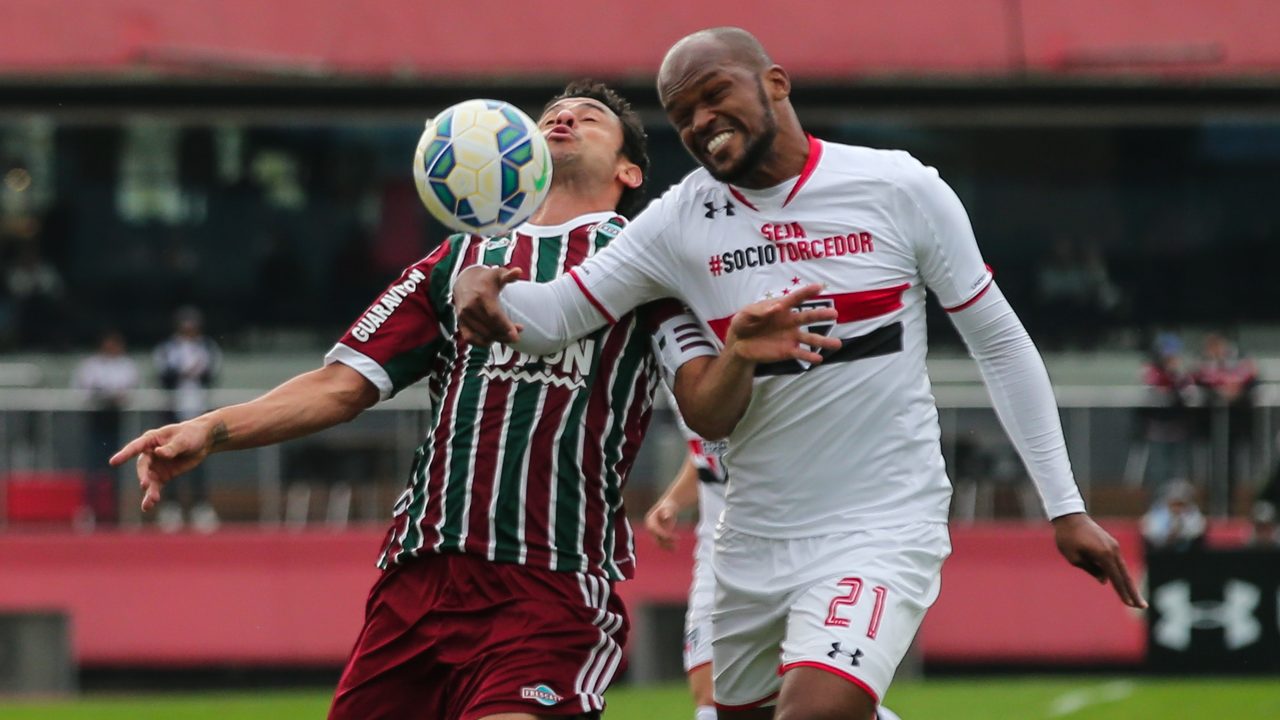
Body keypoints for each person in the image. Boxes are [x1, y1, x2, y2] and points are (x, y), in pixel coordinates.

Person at [453, 27, 1146, 720]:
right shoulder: (677, 222)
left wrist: (1066, 506)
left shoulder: (897, 187)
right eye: (682, 114)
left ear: (775, 84)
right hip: (752, 534)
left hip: (881, 519)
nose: (700, 122)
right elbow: (547, 319)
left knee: (815, 712)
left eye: (715, 94)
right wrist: (474, 280)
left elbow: (998, 341)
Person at [111, 80, 815, 720]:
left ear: (629, 171)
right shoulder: (452, 263)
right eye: (552, 114)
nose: (565, 117)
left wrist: (741, 356)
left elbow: (708, 409)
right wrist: (210, 429)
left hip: (548, 583)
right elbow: (340, 385)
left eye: (591, 117)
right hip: (418, 585)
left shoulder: (648, 264)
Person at [152, 306, 222, 532]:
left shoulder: (208, 347)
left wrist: (193, 372)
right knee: (170, 459)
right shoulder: (167, 348)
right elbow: (163, 375)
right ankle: (170, 508)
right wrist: (184, 371)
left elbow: (212, 373)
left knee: (199, 461)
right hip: (173, 412)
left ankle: (200, 507)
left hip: (199, 411)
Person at [71, 329, 140, 526]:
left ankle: (117, 513)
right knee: (93, 468)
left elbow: (129, 391)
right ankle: (90, 511)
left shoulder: (126, 365)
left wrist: (113, 395)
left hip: (118, 422)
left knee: (118, 469)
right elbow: (81, 391)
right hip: (96, 421)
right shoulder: (90, 365)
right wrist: (102, 395)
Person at [1139, 480, 1206, 552]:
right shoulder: (1157, 514)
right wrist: (1167, 535)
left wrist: (1180, 532)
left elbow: (1197, 530)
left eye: (1180, 504)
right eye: (1174, 504)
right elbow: (1150, 531)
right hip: (1160, 551)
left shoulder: (1193, 514)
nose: (1177, 508)